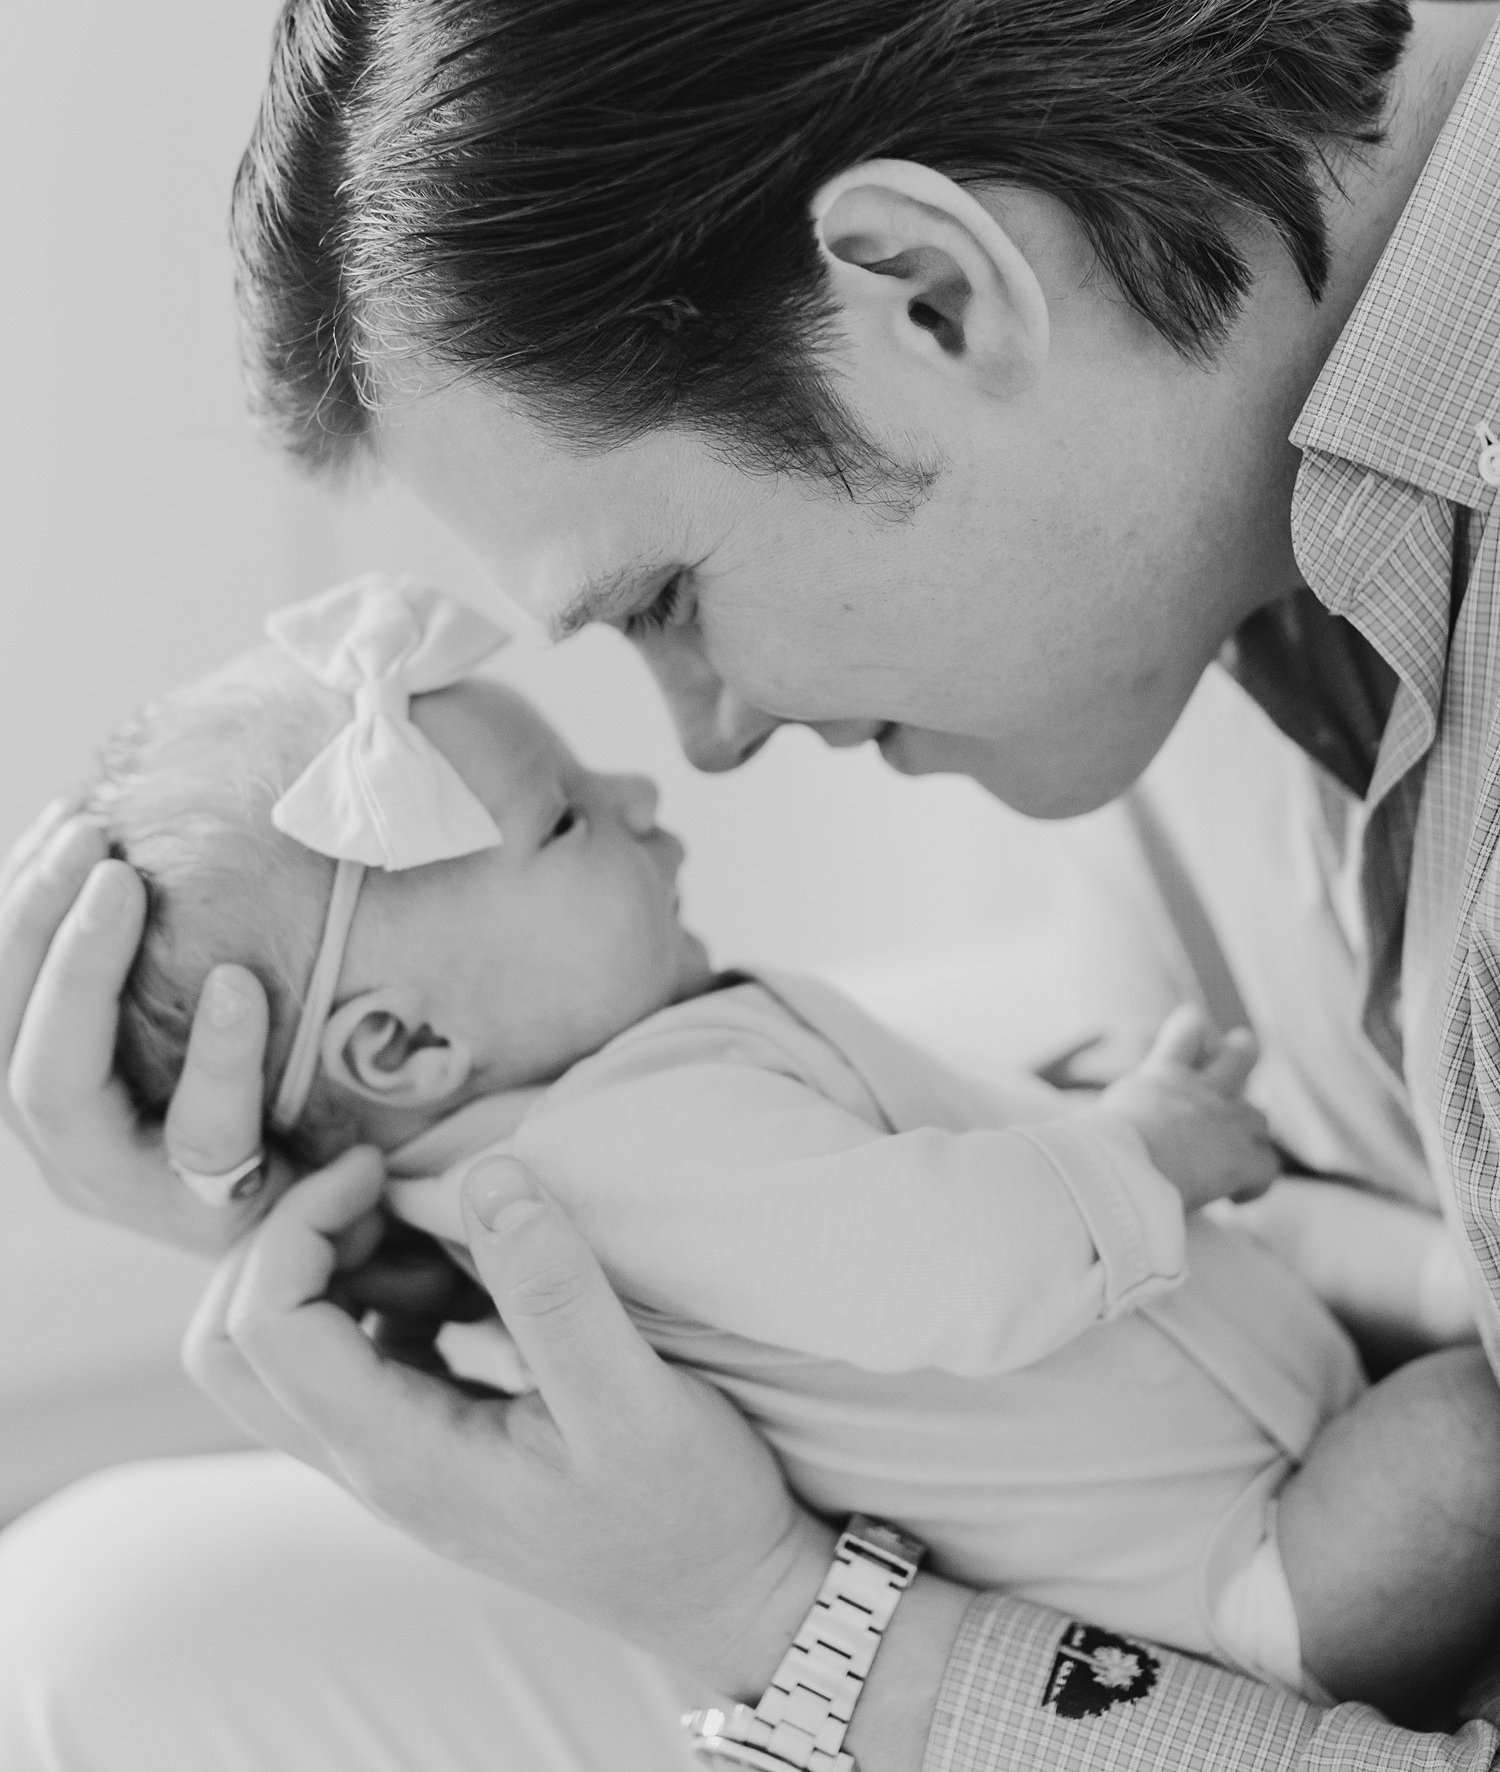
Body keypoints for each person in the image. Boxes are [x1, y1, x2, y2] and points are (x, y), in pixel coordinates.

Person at [5, 0, 1500, 1771]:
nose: (701, 740)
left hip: (1293, 1526)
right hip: (1234, 1377)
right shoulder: (1325, 236)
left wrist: (776, 1620)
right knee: (96, 1618)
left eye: (670, 601)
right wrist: (397, 1174)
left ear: (924, 294)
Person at [95, 567, 1500, 1719]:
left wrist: (1089, 1111)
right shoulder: (609, 1160)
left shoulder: (609, 1103)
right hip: (1236, 1568)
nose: (647, 795)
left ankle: (1451, 1276)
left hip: (1241, 1377)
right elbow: (949, 1260)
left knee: (1354, 1258)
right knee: (1460, 1446)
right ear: (403, 1049)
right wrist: (1148, 1140)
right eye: (566, 818)